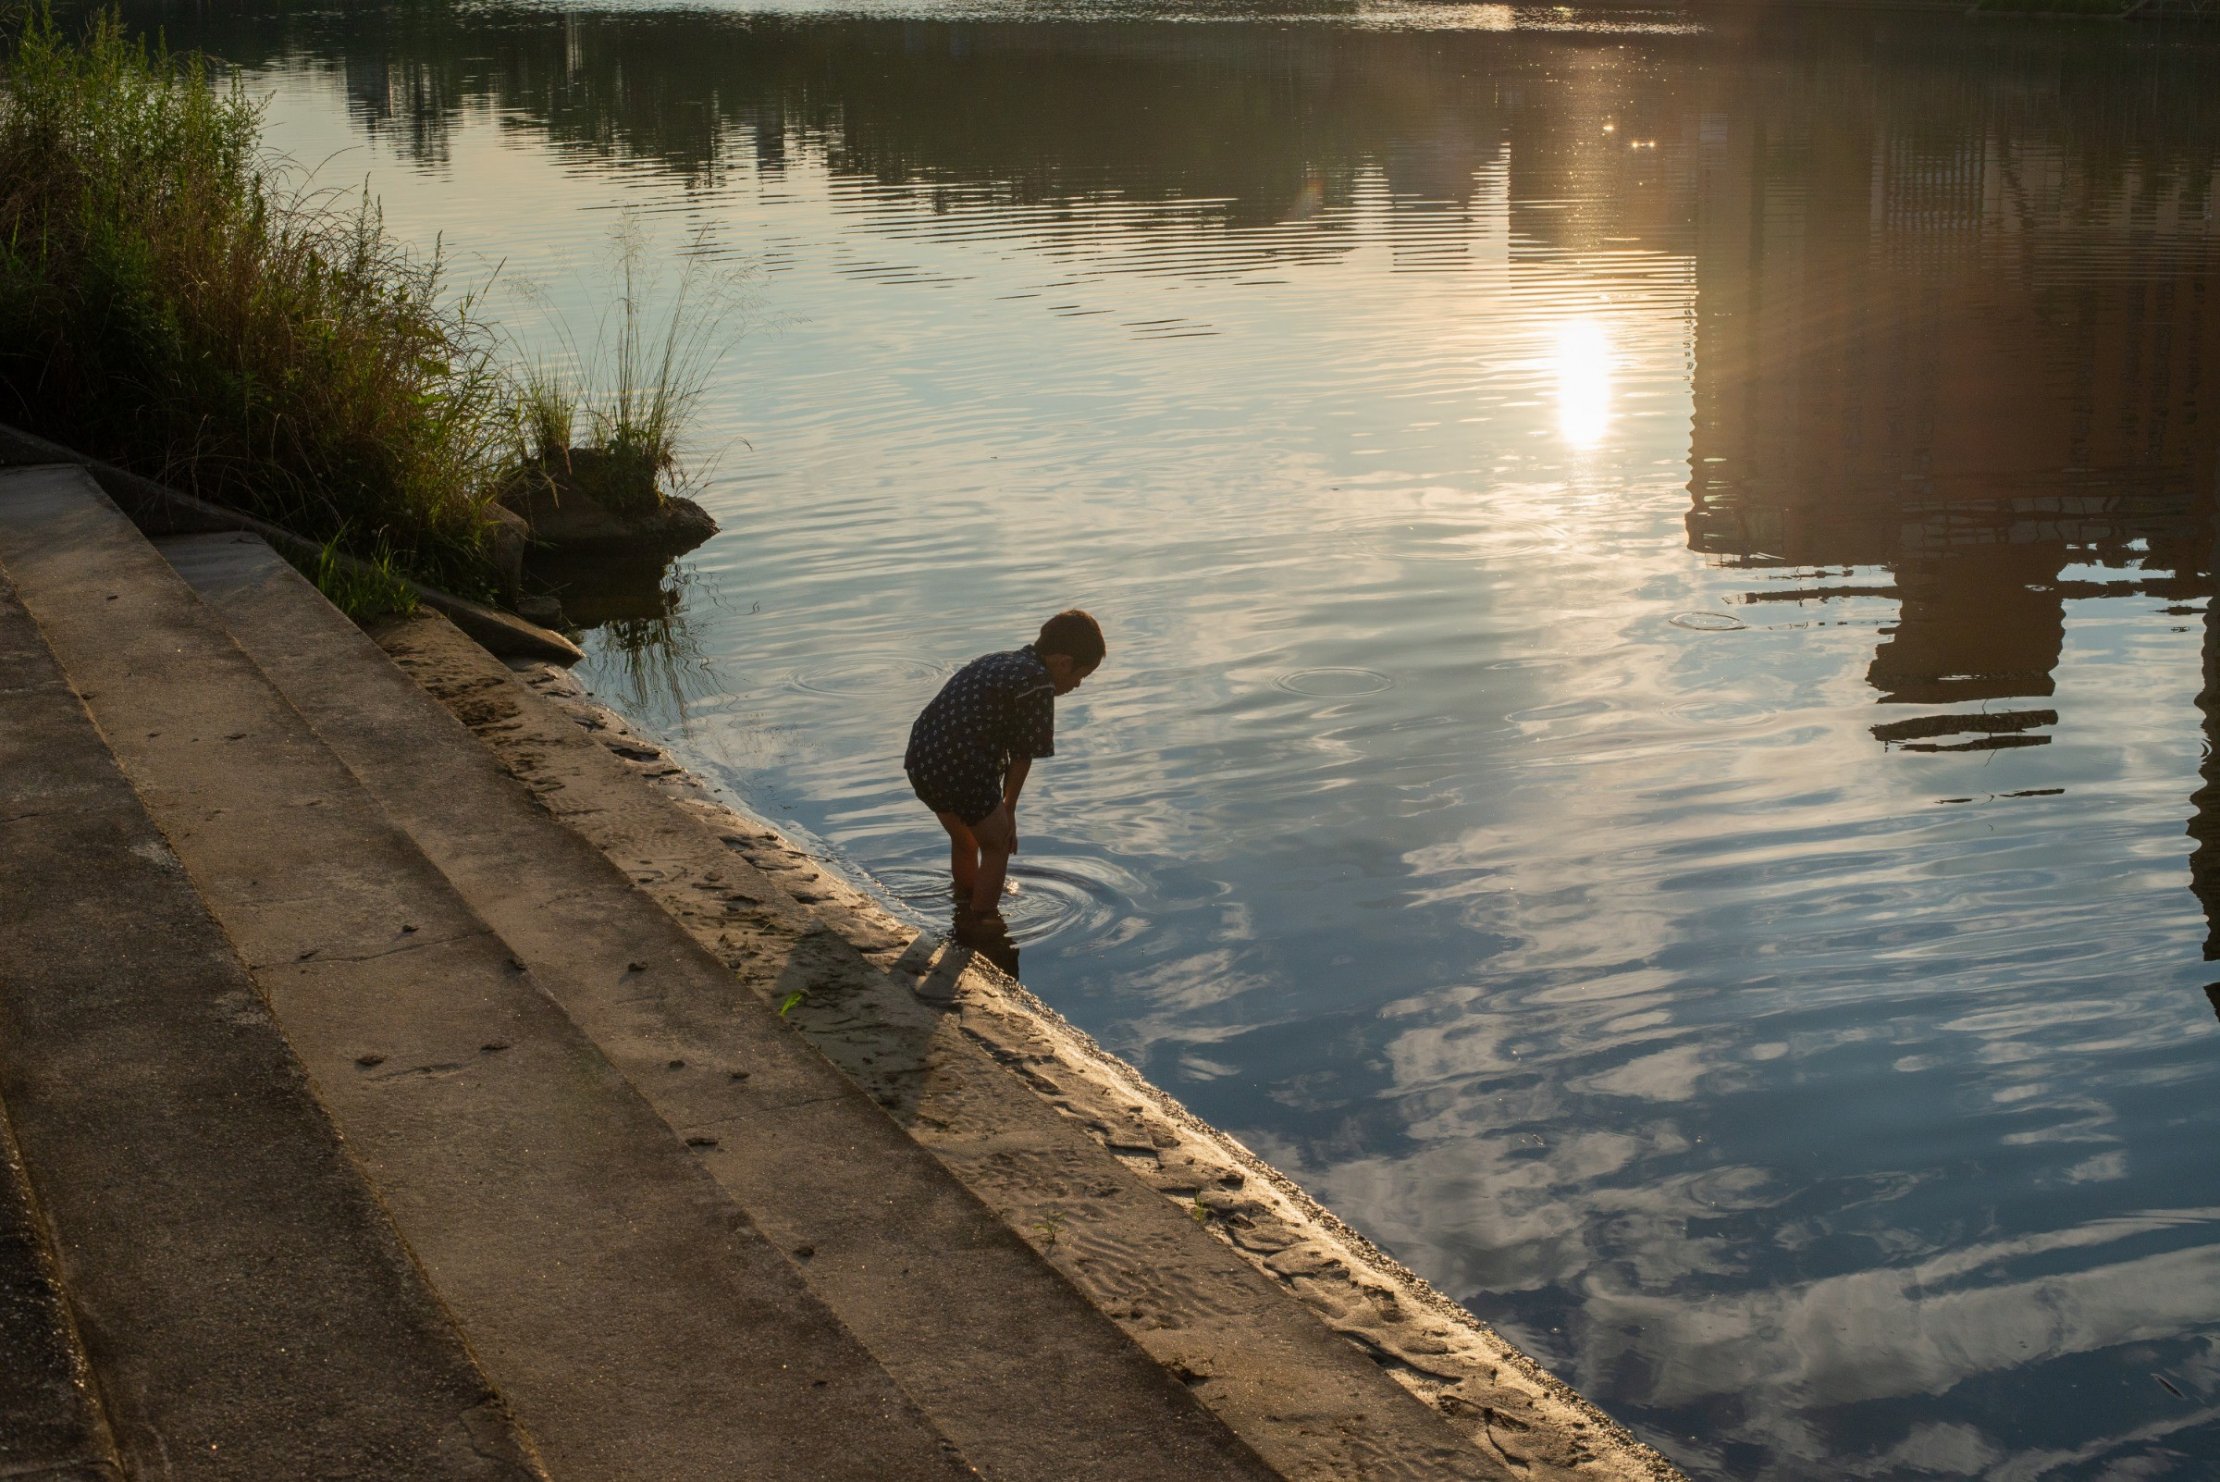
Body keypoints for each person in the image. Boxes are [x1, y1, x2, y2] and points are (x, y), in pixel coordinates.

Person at [905, 610, 1104, 943]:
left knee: (966, 840)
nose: (1077, 685)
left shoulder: (999, 661)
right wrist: (1008, 810)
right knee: (996, 843)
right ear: (1064, 663)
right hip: (962, 765)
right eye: (1081, 676)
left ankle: (965, 900)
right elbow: (1023, 755)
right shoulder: (1038, 682)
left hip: (923, 758)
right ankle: (981, 923)